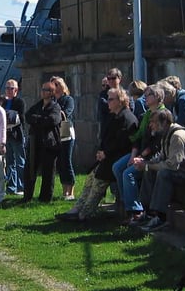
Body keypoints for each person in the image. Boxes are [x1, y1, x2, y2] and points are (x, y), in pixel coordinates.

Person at [56, 86, 138, 222]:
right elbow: (106, 139)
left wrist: (106, 153)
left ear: (120, 101)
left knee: (98, 181)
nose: (107, 102)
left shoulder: (127, 118)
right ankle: (77, 209)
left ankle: (85, 213)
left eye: (111, 99)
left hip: (117, 158)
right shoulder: (114, 116)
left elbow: (122, 143)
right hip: (108, 157)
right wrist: (101, 152)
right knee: (90, 178)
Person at [134, 109, 185, 232]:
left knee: (164, 174)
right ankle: (147, 212)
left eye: (153, 122)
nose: (150, 125)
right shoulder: (166, 134)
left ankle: (160, 217)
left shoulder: (177, 136)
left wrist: (148, 165)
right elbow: (162, 157)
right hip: (183, 170)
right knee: (150, 170)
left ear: (164, 122)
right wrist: (145, 163)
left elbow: (172, 166)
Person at [115, 83, 167, 224]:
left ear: (157, 97)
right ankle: (126, 203)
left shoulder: (163, 115)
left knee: (128, 173)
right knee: (118, 167)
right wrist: (133, 155)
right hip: (140, 152)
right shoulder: (147, 115)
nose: (145, 97)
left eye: (148, 95)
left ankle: (135, 210)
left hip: (153, 156)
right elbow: (139, 137)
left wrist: (141, 157)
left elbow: (157, 144)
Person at [23, 81, 63, 202]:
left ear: (51, 92)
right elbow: (28, 116)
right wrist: (41, 120)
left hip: (49, 144)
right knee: (30, 170)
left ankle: (45, 198)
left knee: (48, 172)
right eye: (42, 89)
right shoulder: (38, 105)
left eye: (45, 90)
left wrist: (37, 120)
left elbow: (53, 120)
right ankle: (27, 196)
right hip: (35, 142)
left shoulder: (55, 107)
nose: (42, 92)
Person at [50, 76, 77, 200]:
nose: (55, 87)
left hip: (66, 132)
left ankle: (71, 190)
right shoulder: (52, 100)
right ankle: (64, 189)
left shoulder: (68, 99)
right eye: (53, 85)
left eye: (57, 84)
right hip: (56, 133)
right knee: (60, 163)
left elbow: (66, 113)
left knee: (66, 161)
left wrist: (55, 113)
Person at [0, 79, 27, 196]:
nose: (9, 90)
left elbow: (20, 118)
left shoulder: (20, 102)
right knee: (9, 162)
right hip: (6, 135)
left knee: (20, 162)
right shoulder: (3, 102)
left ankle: (22, 186)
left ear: (16, 90)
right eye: (7, 88)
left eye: (11, 88)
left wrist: (8, 116)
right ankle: (11, 187)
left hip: (17, 135)